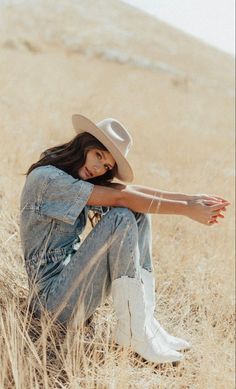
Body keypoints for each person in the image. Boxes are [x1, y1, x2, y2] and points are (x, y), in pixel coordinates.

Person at [20, 114, 230, 364]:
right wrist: (185, 211)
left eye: (107, 166)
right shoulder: (49, 179)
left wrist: (189, 199)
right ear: (84, 144)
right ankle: (131, 332)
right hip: (51, 304)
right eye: (98, 155)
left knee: (139, 214)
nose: (99, 168)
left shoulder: (75, 175)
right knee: (120, 215)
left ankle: (144, 323)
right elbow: (121, 199)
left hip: (70, 289)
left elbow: (129, 191)